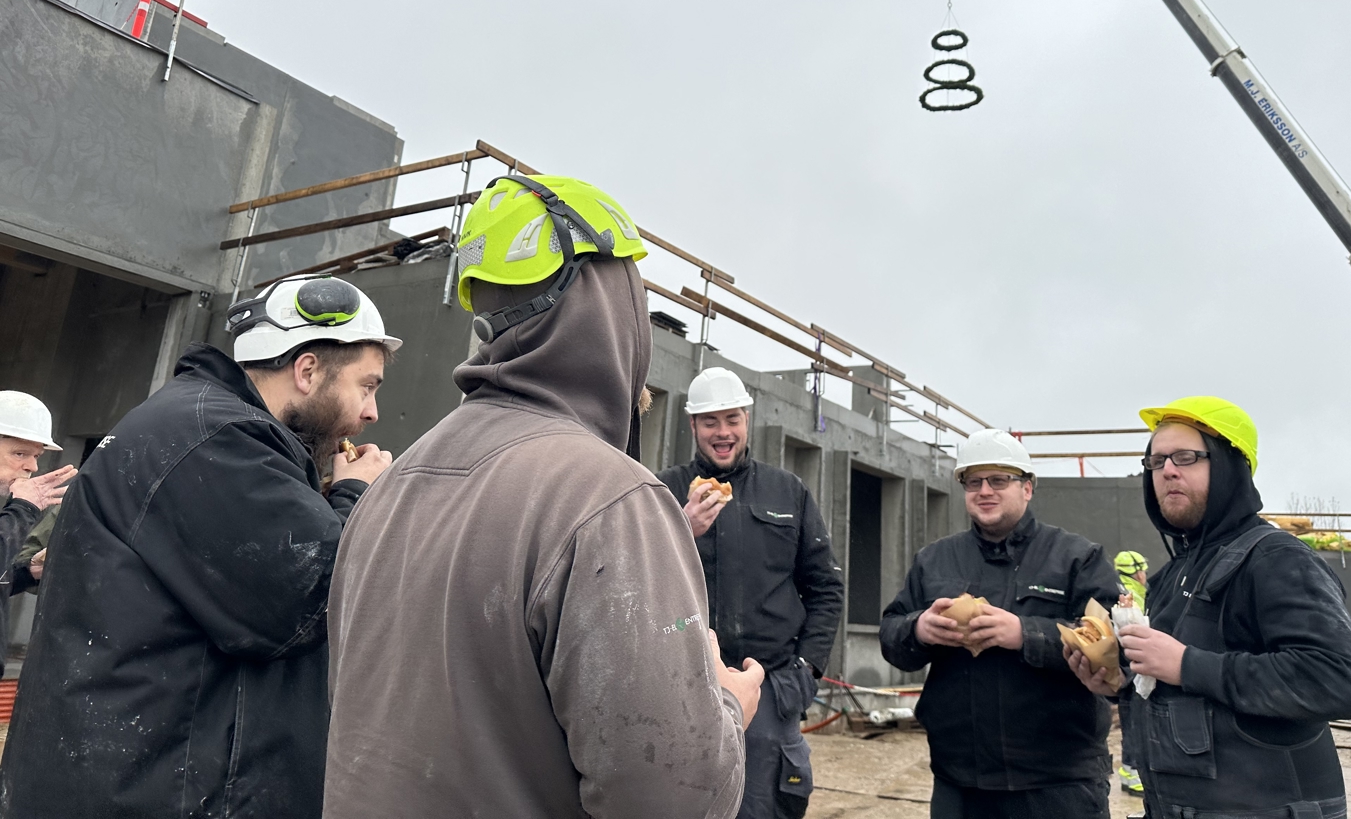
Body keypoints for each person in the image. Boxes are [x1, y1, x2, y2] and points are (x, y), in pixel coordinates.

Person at [323, 175, 759, 819]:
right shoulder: (610, 500)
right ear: (603, 300)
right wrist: (727, 706)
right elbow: (672, 796)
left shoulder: (390, 487)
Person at [0, 275, 399, 819]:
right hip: (158, 789)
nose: (371, 412)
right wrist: (357, 495)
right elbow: (310, 601)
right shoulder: (215, 440)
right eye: (367, 386)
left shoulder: (198, 424)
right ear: (306, 370)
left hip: (137, 776)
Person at [1066, 396, 1351, 819]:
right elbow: (1181, 690)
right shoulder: (1173, 575)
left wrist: (1186, 663)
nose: (1167, 470)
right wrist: (1119, 681)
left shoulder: (1275, 559)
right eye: (1156, 461)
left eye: (1186, 457)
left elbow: (1340, 681)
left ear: (1230, 466)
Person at [880, 428, 1120, 819]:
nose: (985, 490)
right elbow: (891, 635)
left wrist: (1025, 634)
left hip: (1058, 782)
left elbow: (1114, 646)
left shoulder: (1077, 558)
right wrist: (918, 629)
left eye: (999, 480)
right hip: (961, 782)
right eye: (973, 482)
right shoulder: (935, 560)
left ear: (1027, 488)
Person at [660, 366, 846, 819]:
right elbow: (638, 587)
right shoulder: (662, 491)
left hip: (770, 694)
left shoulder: (789, 492)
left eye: (732, 419)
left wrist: (803, 676)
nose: (722, 433)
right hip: (683, 692)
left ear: (747, 420)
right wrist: (682, 529)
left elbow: (825, 588)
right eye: (710, 422)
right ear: (693, 426)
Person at [0, 393, 74, 661]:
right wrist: (22, 508)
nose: (32, 466)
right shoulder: (15, 508)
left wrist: (28, 572)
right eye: (20, 453)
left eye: (36, 455)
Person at [1112, 550, 1150, 798]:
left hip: (1129, 668)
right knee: (1134, 722)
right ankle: (1131, 772)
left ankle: (1131, 770)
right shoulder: (1129, 595)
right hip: (1132, 669)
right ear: (1137, 570)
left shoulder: (1129, 591)